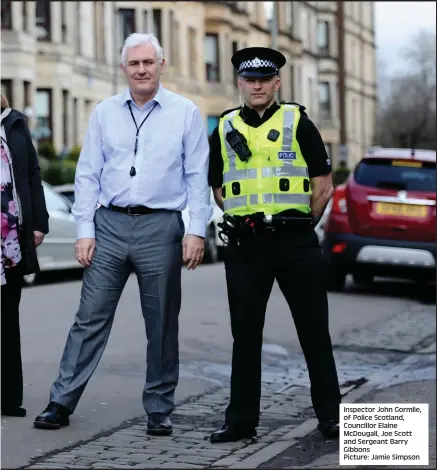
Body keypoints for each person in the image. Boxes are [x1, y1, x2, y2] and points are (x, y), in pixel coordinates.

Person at [34, 33, 211, 434]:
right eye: (134, 64)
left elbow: (198, 177)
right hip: (108, 225)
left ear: (161, 65)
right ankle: (60, 401)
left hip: (161, 226)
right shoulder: (104, 112)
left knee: (162, 322)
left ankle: (159, 408)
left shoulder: (186, 113)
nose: (142, 69)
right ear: (124, 69)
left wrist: (196, 231)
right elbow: (88, 175)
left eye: (149, 62)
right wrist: (84, 230)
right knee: (89, 318)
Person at [207, 47, 342, 443]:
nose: (257, 85)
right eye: (250, 79)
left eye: (265, 79)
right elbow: (218, 187)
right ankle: (241, 422)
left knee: (313, 330)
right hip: (246, 245)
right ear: (240, 84)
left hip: (295, 240)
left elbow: (323, 185)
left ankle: (332, 417)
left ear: (277, 82)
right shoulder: (224, 126)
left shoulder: (297, 121)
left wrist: (300, 224)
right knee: (245, 336)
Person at [1, 94, 49, 417]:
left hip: (10, 242)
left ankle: (8, 398)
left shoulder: (16, 124)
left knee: (7, 319)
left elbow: (33, 174)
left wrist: (39, 223)